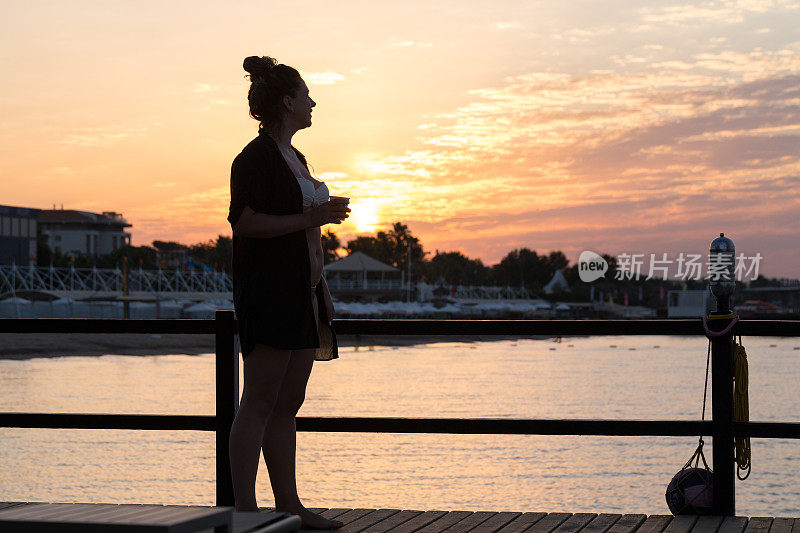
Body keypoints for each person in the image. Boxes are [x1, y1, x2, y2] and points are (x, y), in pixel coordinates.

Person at [227, 55, 350, 529]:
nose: (313, 101)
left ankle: (289, 506)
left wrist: (322, 286)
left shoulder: (294, 158)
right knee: (258, 400)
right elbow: (246, 223)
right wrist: (313, 216)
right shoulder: (253, 159)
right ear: (287, 101)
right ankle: (245, 512)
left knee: (287, 404)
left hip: (305, 293)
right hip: (270, 294)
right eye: (306, 94)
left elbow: (306, 237)